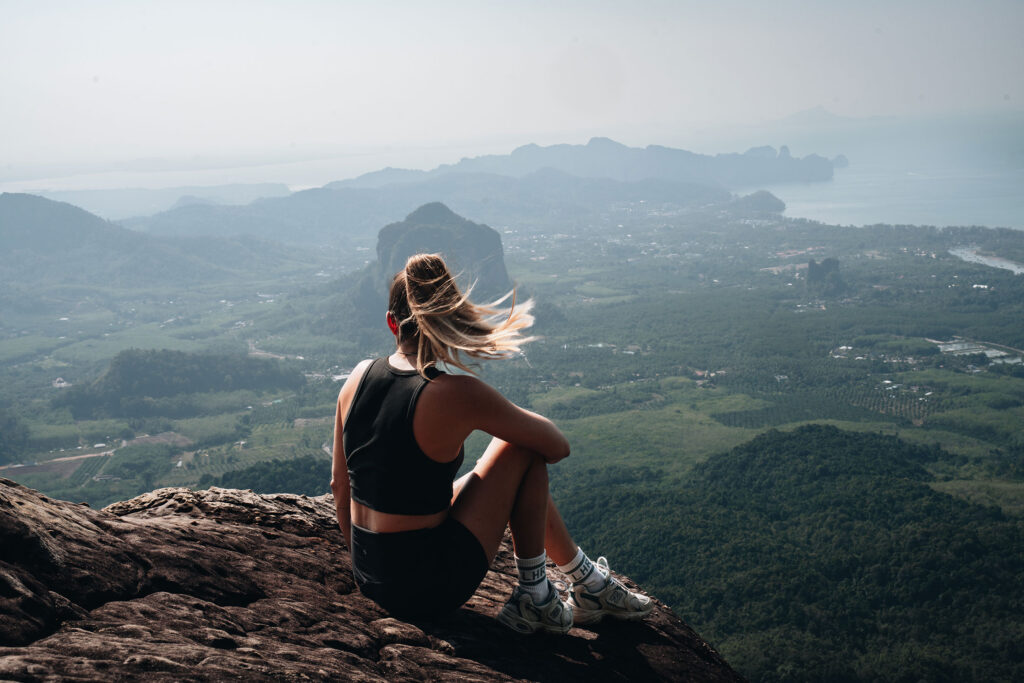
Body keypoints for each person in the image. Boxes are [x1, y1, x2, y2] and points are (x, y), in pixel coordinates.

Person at [330, 253, 652, 634]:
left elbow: (340, 486)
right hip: (426, 590)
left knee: (490, 468)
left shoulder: (357, 377)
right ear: (450, 320)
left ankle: (586, 583)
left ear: (391, 323)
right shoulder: (456, 394)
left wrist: (365, 565)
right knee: (522, 448)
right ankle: (540, 595)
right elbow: (556, 446)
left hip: (369, 576)